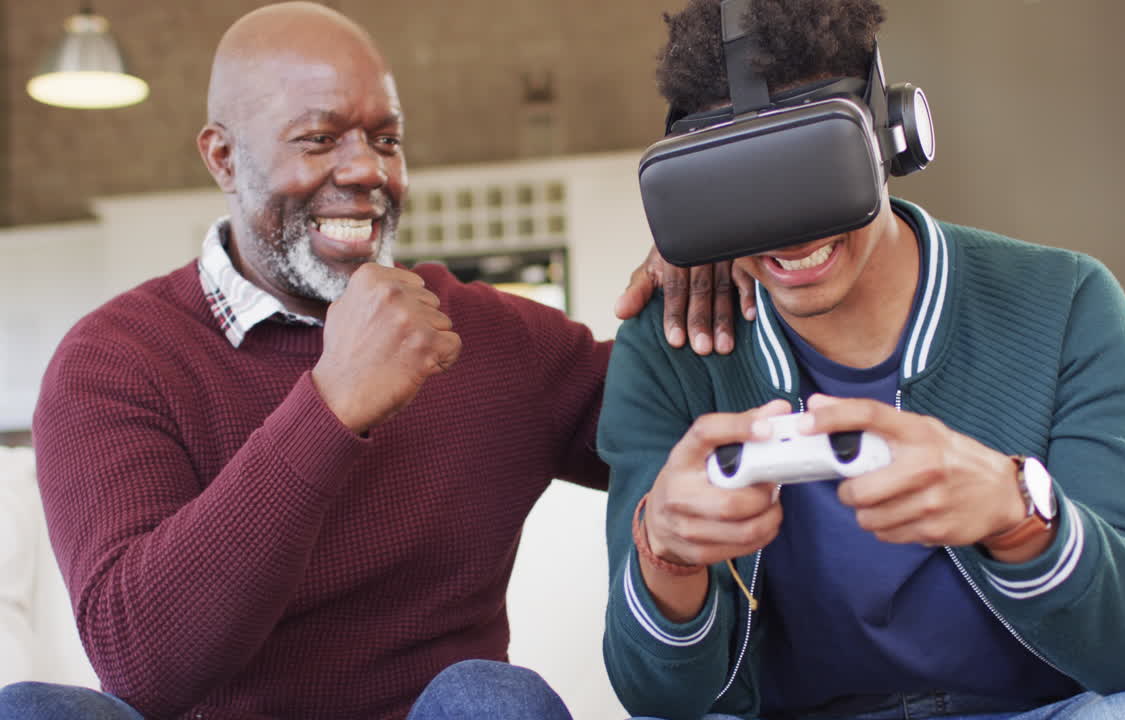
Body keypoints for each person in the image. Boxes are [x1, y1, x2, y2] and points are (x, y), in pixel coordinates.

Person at [0, 3, 752, 719]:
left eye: (386, 140)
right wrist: (330, 405)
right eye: (320, 139)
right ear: (224, 158)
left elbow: (690, 411)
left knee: (491, 700)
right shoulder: (116, 361)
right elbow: (143, 665)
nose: (367, 171)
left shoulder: (487, 338)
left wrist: (715, 255)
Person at [597, 1, 1125, 719]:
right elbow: (657, 699)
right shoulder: (671, 349)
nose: (790, 233)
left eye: (813, 166)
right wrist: (666, 554)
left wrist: (1018, 515)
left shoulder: (1065, 301)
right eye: (743, 184)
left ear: (892, 133)